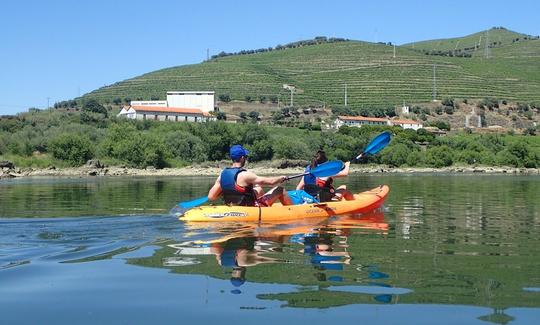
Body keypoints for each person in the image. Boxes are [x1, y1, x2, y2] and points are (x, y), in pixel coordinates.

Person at [208, 144, 293, 206]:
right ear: (242, 158)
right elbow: (271, 182)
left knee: (258, 188)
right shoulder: (246, 175)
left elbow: (211, 197)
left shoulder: (222, 175)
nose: (245, 158)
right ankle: (293, 211)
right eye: (245, 157)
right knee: (280, 190)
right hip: (249, 208)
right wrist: (281, 178)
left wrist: (226, 191)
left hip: (232, 205)